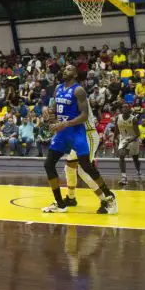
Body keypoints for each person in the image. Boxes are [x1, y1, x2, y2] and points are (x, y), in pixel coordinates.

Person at [41, 65, 117, 214]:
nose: (64, 71)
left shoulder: (78, 91)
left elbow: (82, 116)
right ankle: (67, 200)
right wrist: (48, 113)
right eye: (64, 69)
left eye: (69, 69)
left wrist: (63, 123)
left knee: (83, 169)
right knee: (66, 167)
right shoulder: (58, 88)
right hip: (65, 132)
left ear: (75, 74)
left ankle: (108, 198)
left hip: (85, 132)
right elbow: (55, 111)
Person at [115, 103, 141, 185]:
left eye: (126, 107)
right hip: (123, 139)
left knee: (135, 158)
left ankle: (139, 171)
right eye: (123, 107)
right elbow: (116, 129)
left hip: (133, 139)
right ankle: (124, 177)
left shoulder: (134, 119)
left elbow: (138, 134)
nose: (124, 109)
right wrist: (114, 139)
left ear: (129, 110)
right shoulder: (118, 118)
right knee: (121, 155)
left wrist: (128, 142)